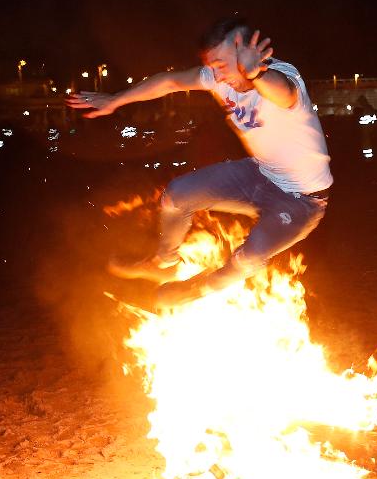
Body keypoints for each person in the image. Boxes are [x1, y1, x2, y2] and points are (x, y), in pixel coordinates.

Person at [67, 16, 332, 307]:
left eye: (220, 65)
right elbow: (169, 81)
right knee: (176, 196)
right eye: (211, 67)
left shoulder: (283, 76)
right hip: (260, 174)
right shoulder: (216, 78)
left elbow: (284, 94)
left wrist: (256, 74)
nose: (215, 76)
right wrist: (116, 100)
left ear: (243, 49)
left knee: (249, 258)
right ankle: (164, 263)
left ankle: (194, 291)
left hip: (302, 199)